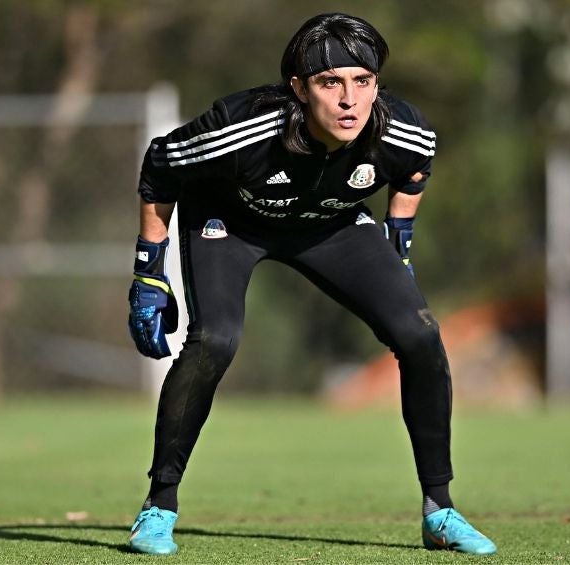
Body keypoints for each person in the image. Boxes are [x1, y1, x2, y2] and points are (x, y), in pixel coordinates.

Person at [125, 12, 497, 556]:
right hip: (231, 223)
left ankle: (439, 511)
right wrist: (148, 273)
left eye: (362, 81)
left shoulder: (401, 128)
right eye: (330, 82)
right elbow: (160, 165)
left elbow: (415, 171)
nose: (349, 100)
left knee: (419, 334)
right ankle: (158, 507)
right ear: (299, 89)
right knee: (216, 341)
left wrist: (400, 250)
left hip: (331, 222)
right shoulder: (241, 128)